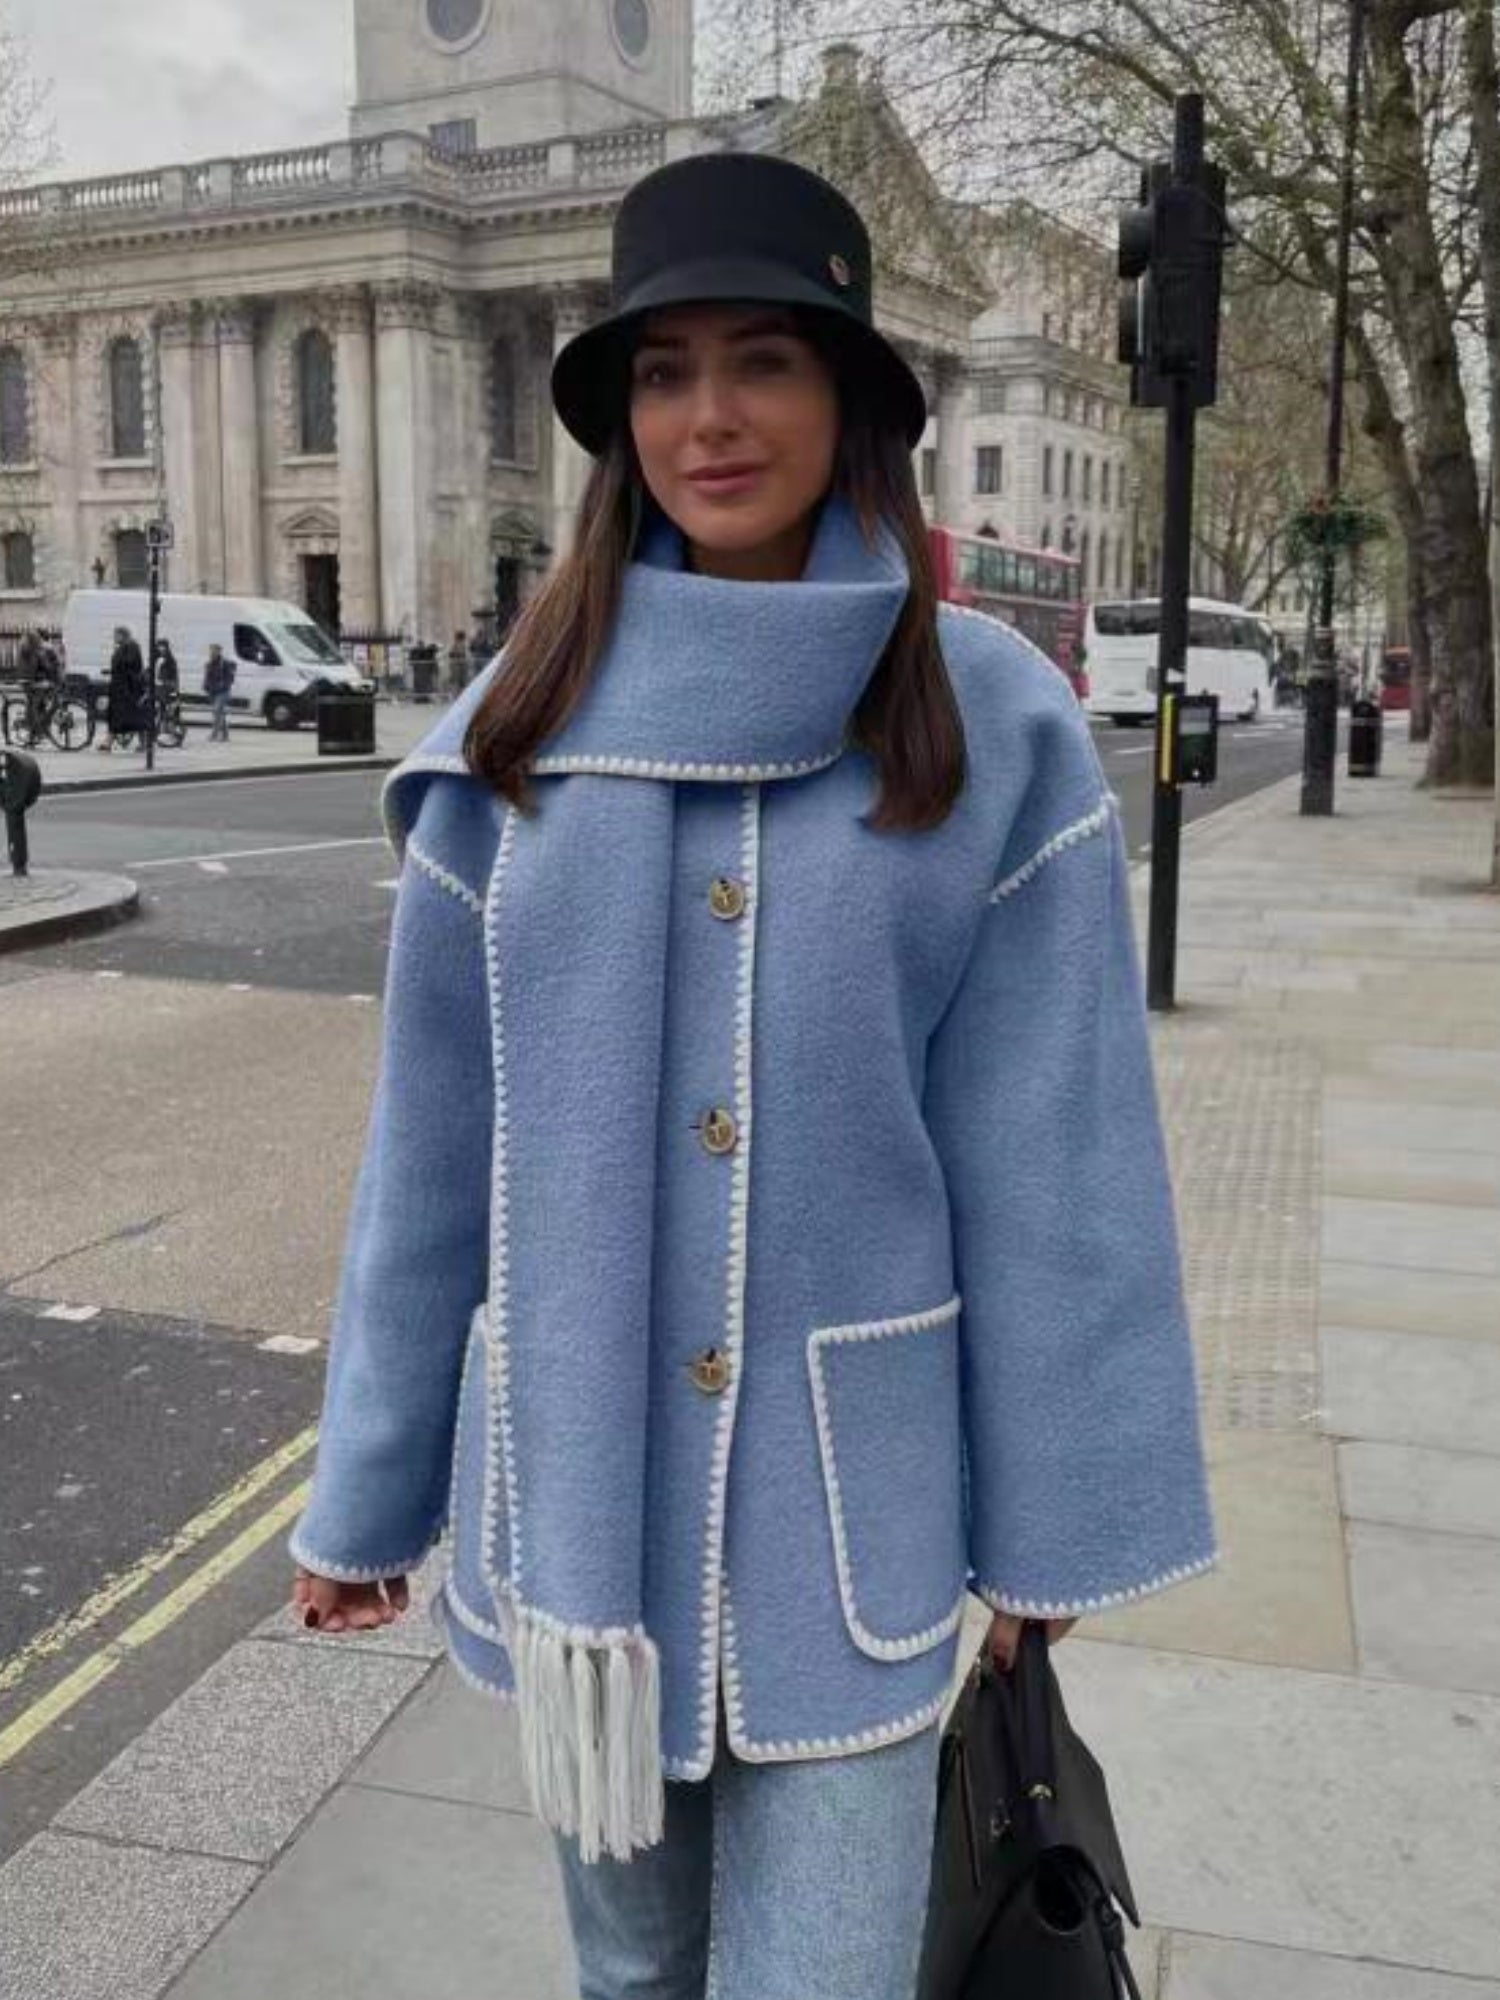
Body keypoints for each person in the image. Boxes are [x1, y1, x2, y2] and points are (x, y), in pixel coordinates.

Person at [289, 154, 1215, 2000]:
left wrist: (1048, 1532)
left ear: (851, 398)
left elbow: (1053, 1158)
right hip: (579, 1518)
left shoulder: (989, 720)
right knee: (632, 1983)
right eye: (663, 371)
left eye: (764, 361)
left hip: (850, 1522)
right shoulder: (516, 726)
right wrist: (368, 1495)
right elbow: (436, 1154)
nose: (707, 417)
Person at [98, 625, 145, 752]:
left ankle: (143, 742)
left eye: (116, 635)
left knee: (133, 716)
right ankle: (108, 742)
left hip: (129, 688)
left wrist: (116, 668)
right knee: (116, 716)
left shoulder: (132, 646)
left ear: (122, 635)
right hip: (119, 688)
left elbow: (129, 664)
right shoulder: (124, 647)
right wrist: (111, 671)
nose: (114, 637)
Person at [203, 643, 235, 742]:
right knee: (220, 713)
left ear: (219, 651)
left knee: (216, 711)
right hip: (213, 692)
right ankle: (225, 735)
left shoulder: (224, 664)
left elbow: (230, 678)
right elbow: (207, 677)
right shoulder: (209, 664)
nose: (212, 652)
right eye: (211, 650)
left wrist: (223, 685)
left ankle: (214, 734)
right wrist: (206, 686)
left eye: (214, 650)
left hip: (223, 692)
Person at [447, 629, 470, 696]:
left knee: (460, 682)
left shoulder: (461, 645)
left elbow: (461, 654)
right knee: (457, 682)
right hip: (457, 665)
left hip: (460, 665)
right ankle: (457, 694)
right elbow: (451, 654)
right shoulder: (456, 645)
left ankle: (460, 694)